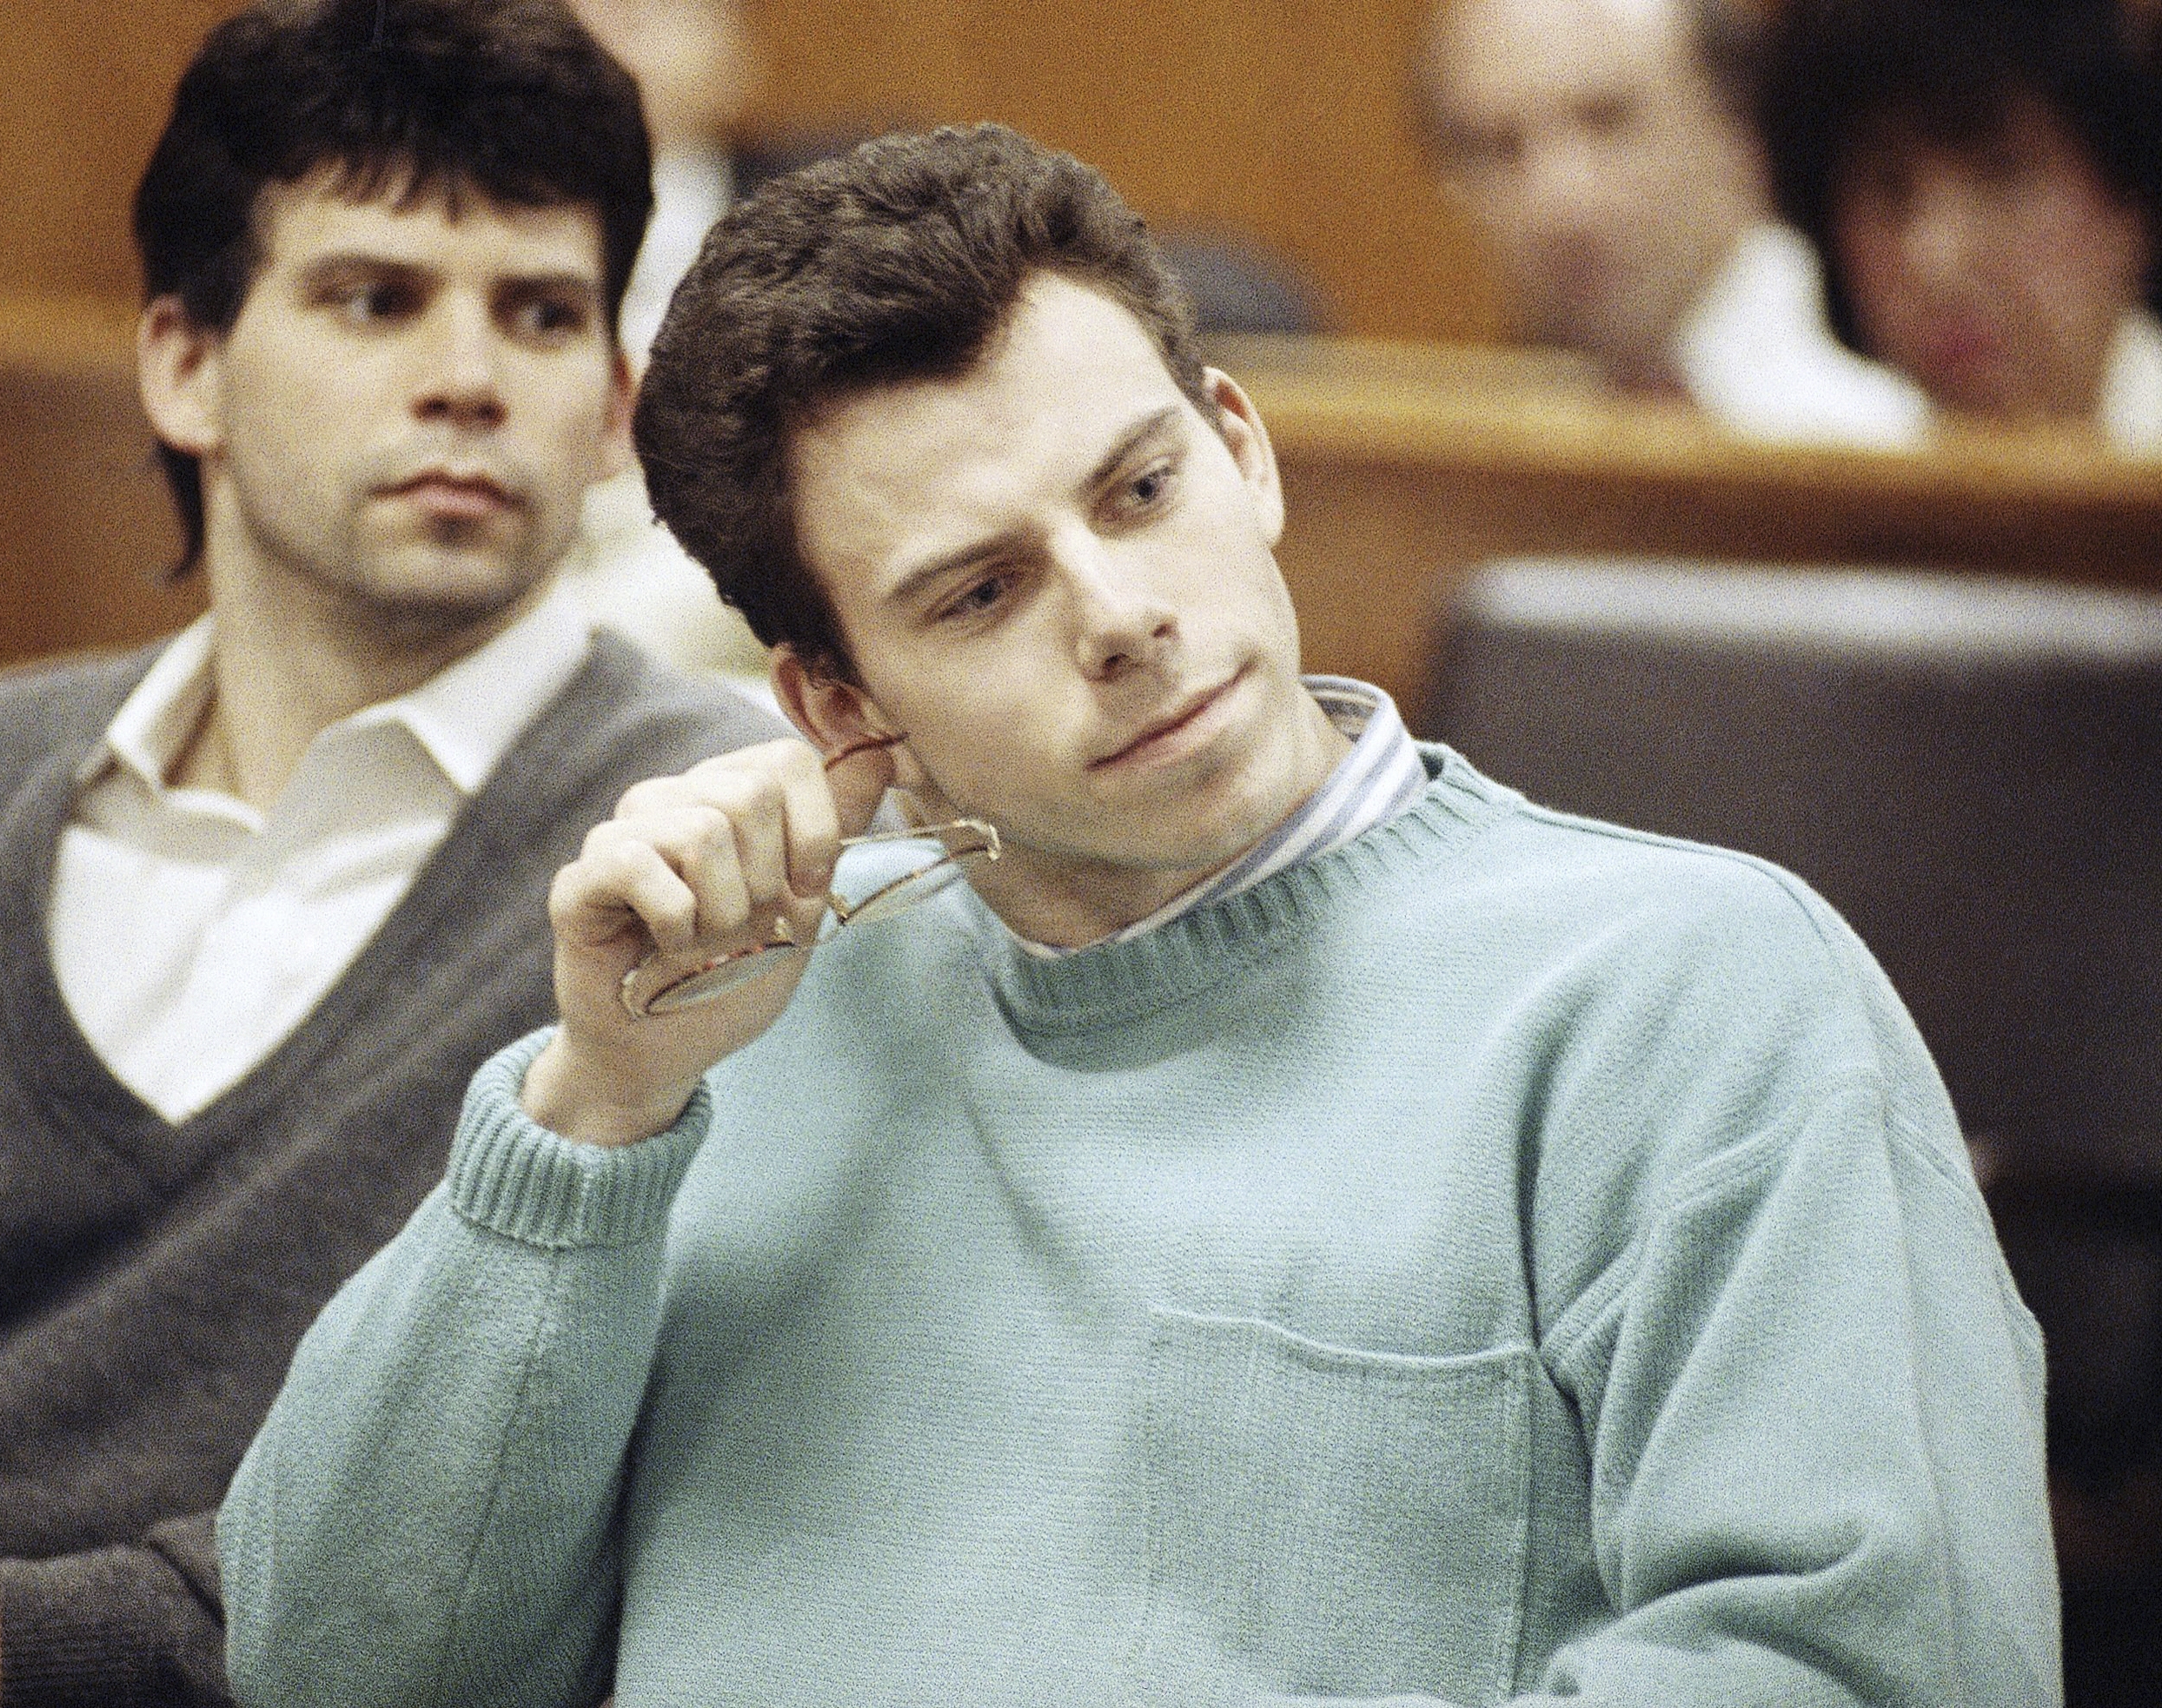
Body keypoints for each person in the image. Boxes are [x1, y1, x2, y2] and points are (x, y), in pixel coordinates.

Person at [220, 122, 2059, 1705]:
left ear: (1239, 450)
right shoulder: (718, 1016)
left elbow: (1857, 1665)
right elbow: (330, 1659)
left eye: (1138, 488)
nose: (1114, 611)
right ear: (836, 707)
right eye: (975, 590)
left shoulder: (1692, 992)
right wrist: (592, 1118)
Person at [0, 2, 782, 1703]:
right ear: (182, 363)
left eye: (536, 313)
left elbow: (580, 1499)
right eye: (373, 299)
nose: (464, 373)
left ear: (611, 409)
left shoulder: (715, 847)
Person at [1417, 0, 1927, 446]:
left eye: (1609, 121)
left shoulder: (1898, 415)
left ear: (1743, 128)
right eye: (1498, 149)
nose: (1562, 206)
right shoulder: (1463, 455)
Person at [1757, 0, 2162, 452]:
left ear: (2130, 197)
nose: (1937, 259)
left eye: (2002, 175)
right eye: (1889, 190)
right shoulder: (1805, 483)